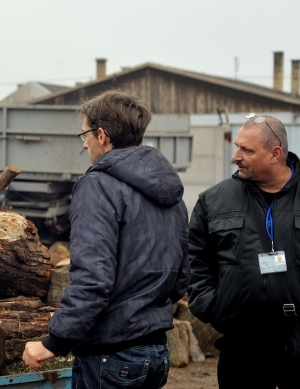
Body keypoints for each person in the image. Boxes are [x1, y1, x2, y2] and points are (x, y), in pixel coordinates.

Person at [23, 90, 190, 388]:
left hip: (110, 357)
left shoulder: (98, 185)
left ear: (101, 135)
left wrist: (54, 341)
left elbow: (93, 279)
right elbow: (181, 276)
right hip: (155, 352)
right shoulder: (171, 191)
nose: (84, 142)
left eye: (85, 133)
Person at [188, 113, 300, 388]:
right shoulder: (213, 201)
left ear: (274, 153)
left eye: (246, 150)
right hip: (241, 347)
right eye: (237, 146)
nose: (235, 156)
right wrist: (217, 309)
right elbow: (195, 263)